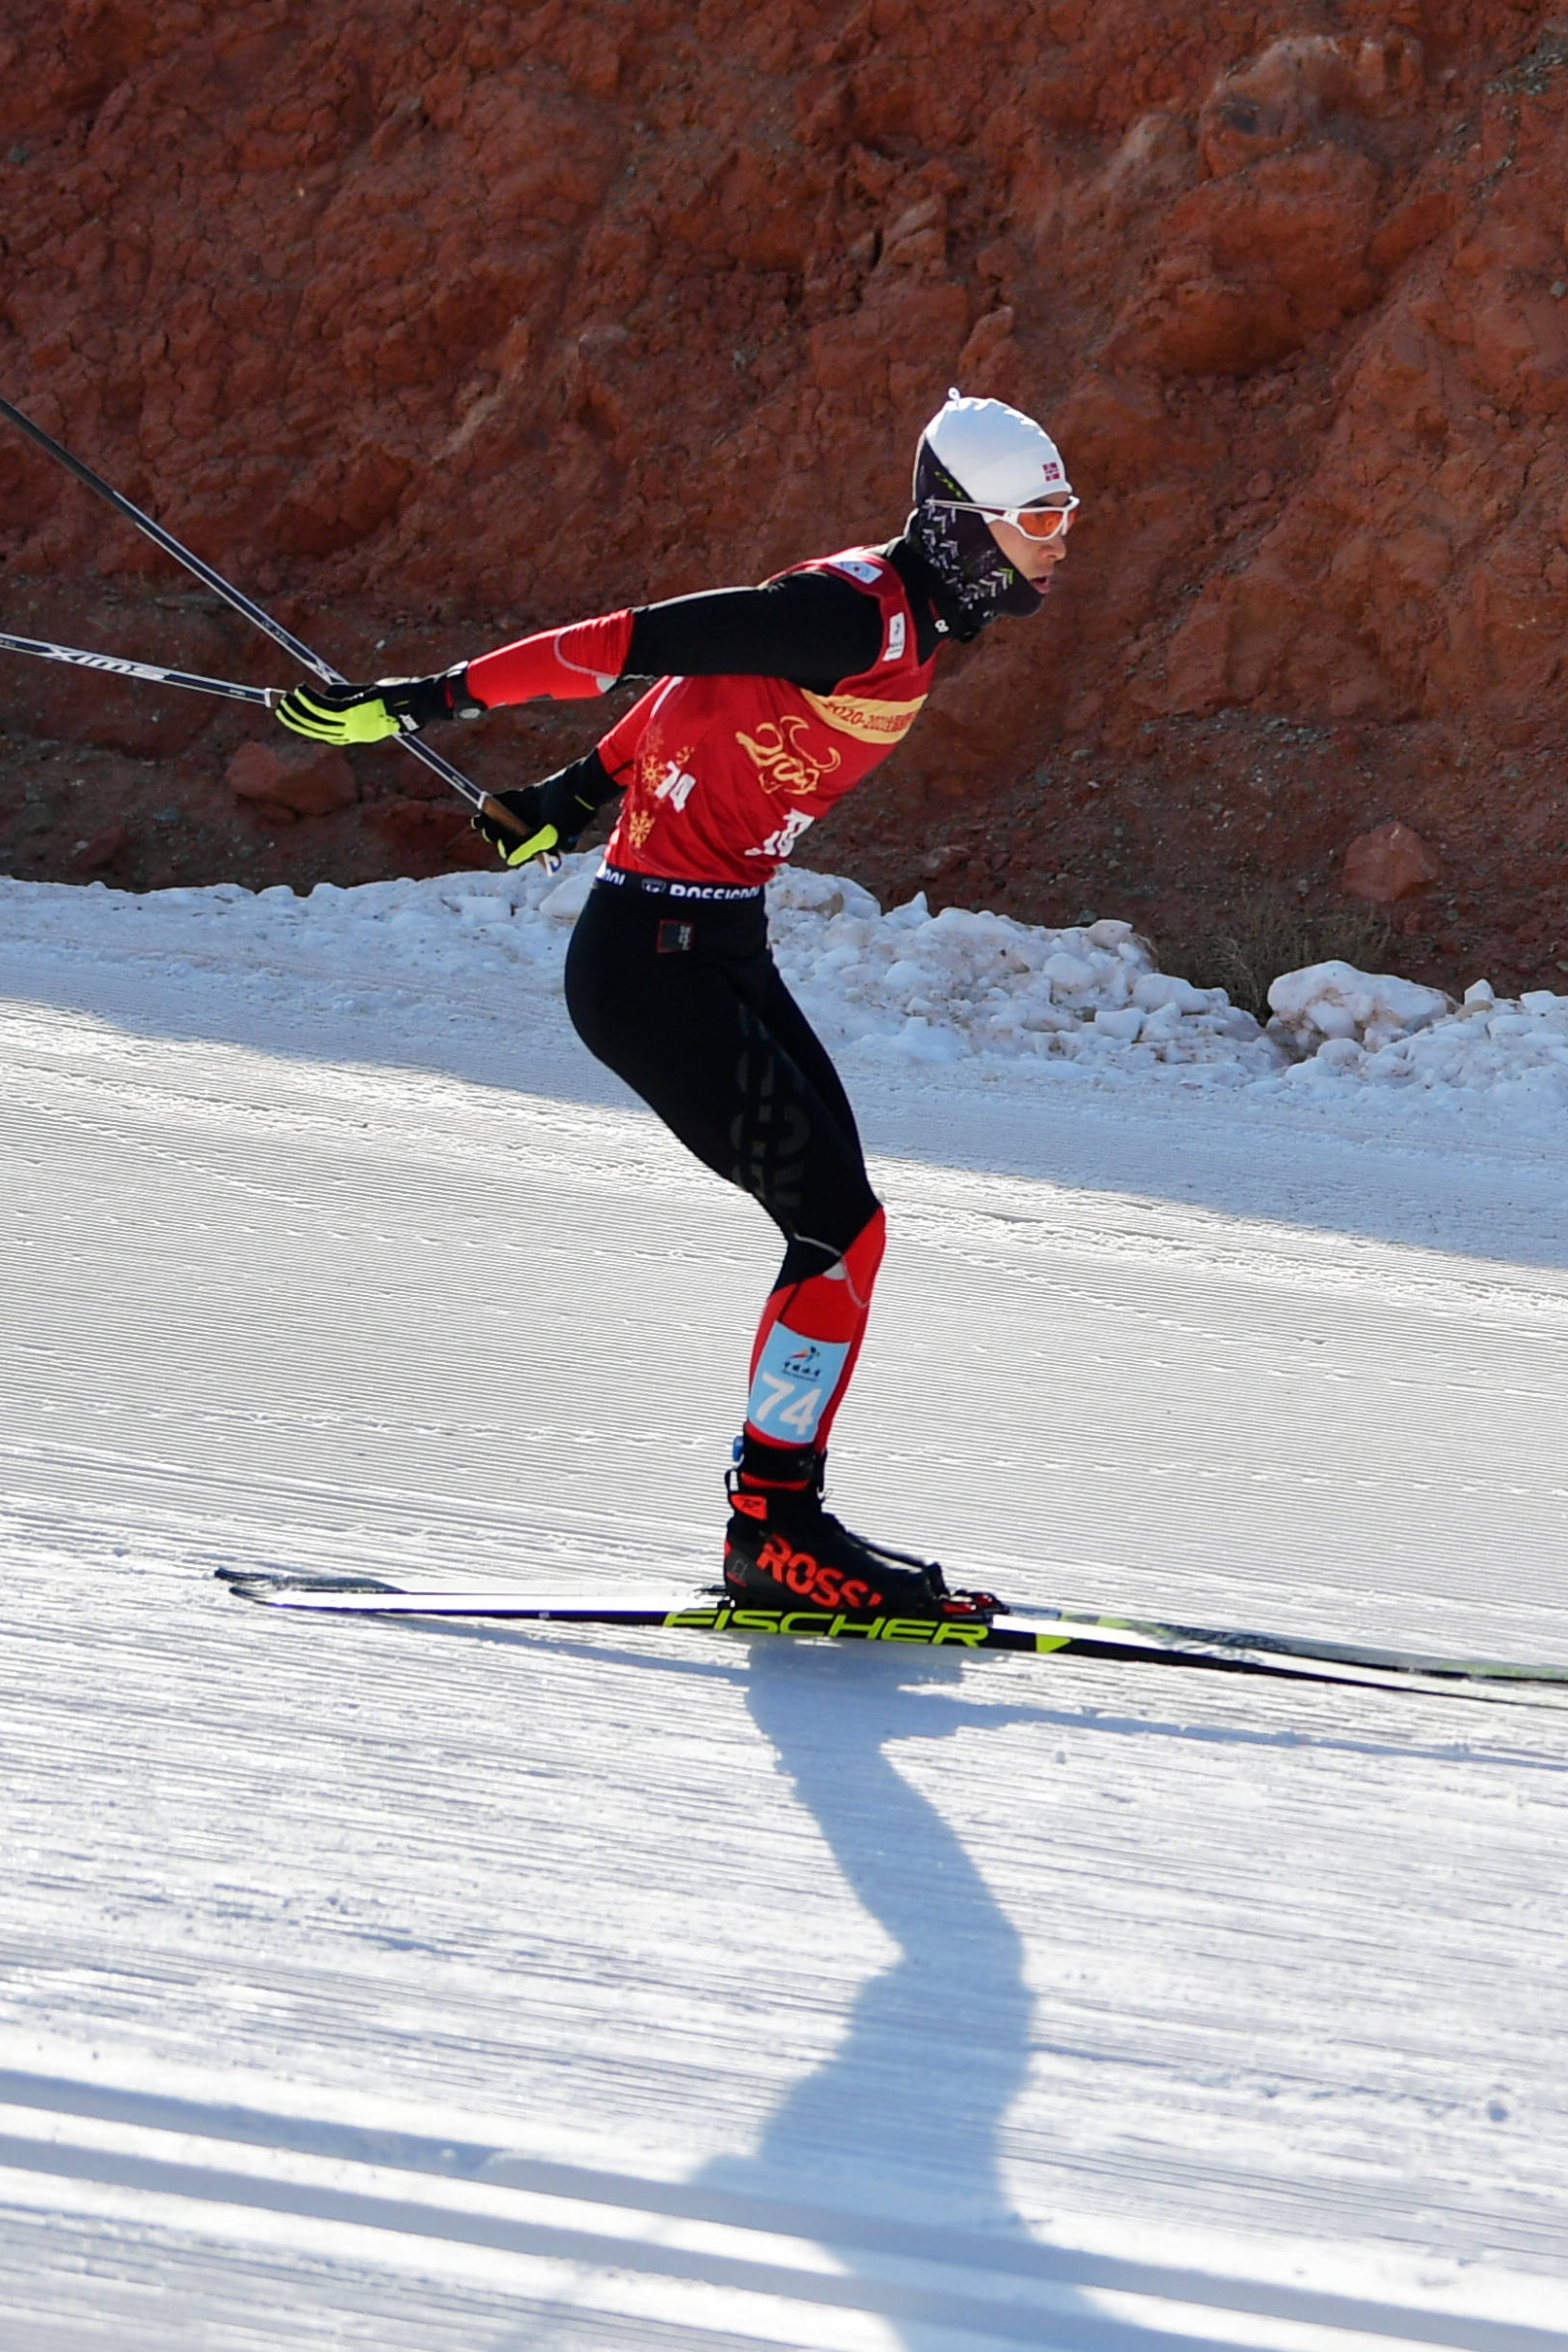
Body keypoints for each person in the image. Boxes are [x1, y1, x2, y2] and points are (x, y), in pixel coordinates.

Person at [272, 391, 1076, 1619]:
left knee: (849, 1229)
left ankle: (781, 1517)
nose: (1059, 534)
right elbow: (628, 641)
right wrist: (433, 699)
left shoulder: (905, 619)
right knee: (831, 1223)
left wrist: (571, 791)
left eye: (1063, 511)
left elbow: (706, 693)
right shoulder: (846, 613)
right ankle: (774, 1529)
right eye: (1037, 514)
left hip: (715, 941)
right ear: (963, 525)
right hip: (650, 963)